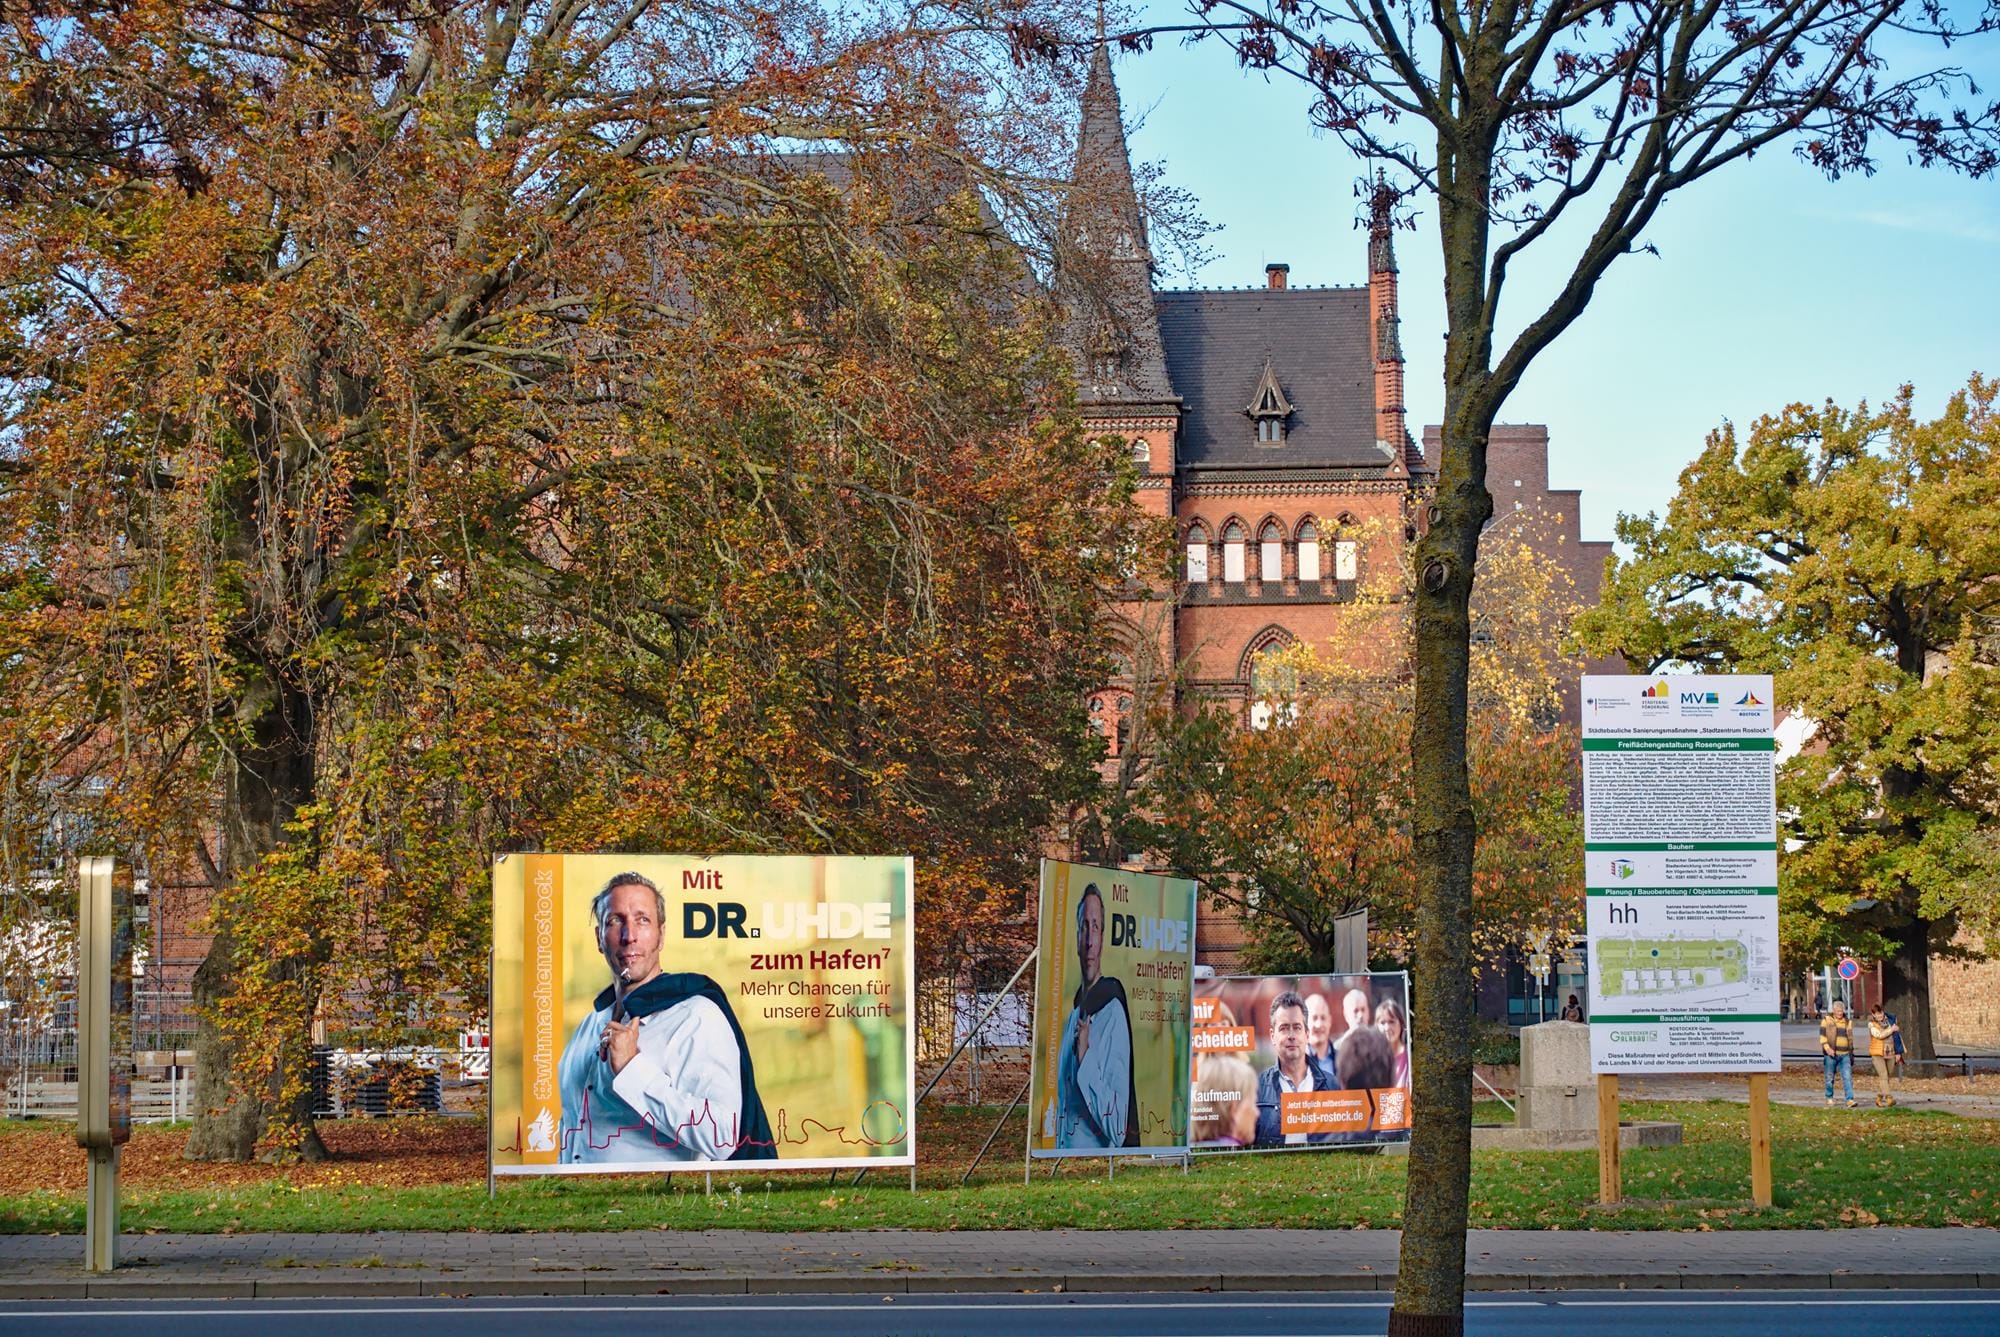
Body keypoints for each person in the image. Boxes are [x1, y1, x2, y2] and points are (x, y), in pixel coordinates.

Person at [558, 871, 776, 1163]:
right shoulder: (588, 1026)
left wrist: (632, 1069)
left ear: (661, 935)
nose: (629, 935)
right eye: (615, 921)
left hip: (657, 1204)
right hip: (581, 1203)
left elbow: (723, 1136)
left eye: (642, 920)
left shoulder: (697, 1017)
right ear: (599, 938)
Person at [1050, 883, 1138, 1147]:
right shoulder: (1073, 1016)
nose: (1089, 940)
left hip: (1097, 1168)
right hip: (1065, 1169)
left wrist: (1085, 1057)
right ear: (1077, 936)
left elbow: (1118, 1127)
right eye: (1085, 927)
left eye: (1096, 927)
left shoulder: (1112, 1014)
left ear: (1102, 939)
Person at [1255, 990, 1339, 1147]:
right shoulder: (1257, 1089)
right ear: (1272, 1035)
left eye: (1297, 1027)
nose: (1291, 1035)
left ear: (1307, 1034)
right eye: (1284, 1028)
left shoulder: (1333, 1085)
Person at [1191, 1053, 1260, 1148]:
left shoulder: (1187, 1156)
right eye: (1253, 1104)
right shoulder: (1238, 1159)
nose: (1257, 1113)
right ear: (1234, 1109)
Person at [1820, 999, 1857, 1107]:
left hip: (1845, 1054)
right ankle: (1829, 1097)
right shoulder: (1827, 1020)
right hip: (1831, 1054)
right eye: (1837, 1011)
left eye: (1841, 1011)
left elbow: (1850, 1038)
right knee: (1829, 1077)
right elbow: (1822, 1037)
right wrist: (1827, 1049)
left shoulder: (1848, 1022)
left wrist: (1851, 1051)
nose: (1839, 1013)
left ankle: (1850, 1099)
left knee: (1847, 1077)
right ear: (1834, 1011)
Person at [1867, 1005, 1900, 1107]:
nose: (1880, 1015)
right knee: (1884, 1075)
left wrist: (1898, 1052)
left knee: (1887, 1077)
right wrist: (1891, 1030)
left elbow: (1897, 1037)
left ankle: (1879, 1097)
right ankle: (1889, 1098)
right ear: (1873, 1015)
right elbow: (1879, 1035)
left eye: (1881, 1013)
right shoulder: (1871, 1024)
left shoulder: (1890, 1021)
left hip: (1890, 1052)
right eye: (1877, 1014)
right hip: (1877, 1053)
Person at [1375, 997, 1411, 1087]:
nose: (1387, 1028)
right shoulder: (1373, 1061)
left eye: (1391, 1022)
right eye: (1382, 1023)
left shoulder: (1410, 1056)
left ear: (1401, 1024)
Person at [1305, 992, 1336, 1065]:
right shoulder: (1296, 1064)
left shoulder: (1343, 1060)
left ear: (1330, 1021)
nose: (1319, 1024)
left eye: (1323, 1018)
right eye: (1314, 1018)